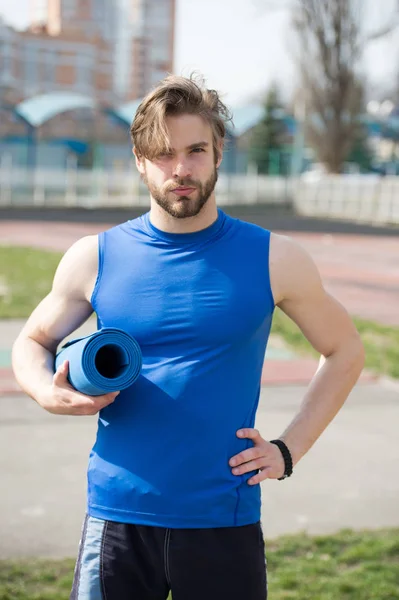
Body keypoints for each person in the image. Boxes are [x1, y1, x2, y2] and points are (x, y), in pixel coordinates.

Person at [12, 74, 365, 600]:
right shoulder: (95, 255)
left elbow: (345, 350)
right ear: (139, 158)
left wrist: (290, 450)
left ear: (219, 151)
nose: (181, 169)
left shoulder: (274, 258)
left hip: (223, 516)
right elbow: (31, 341)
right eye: (163, 153)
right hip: (118, 515)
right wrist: (47, 391)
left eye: (196, 150)